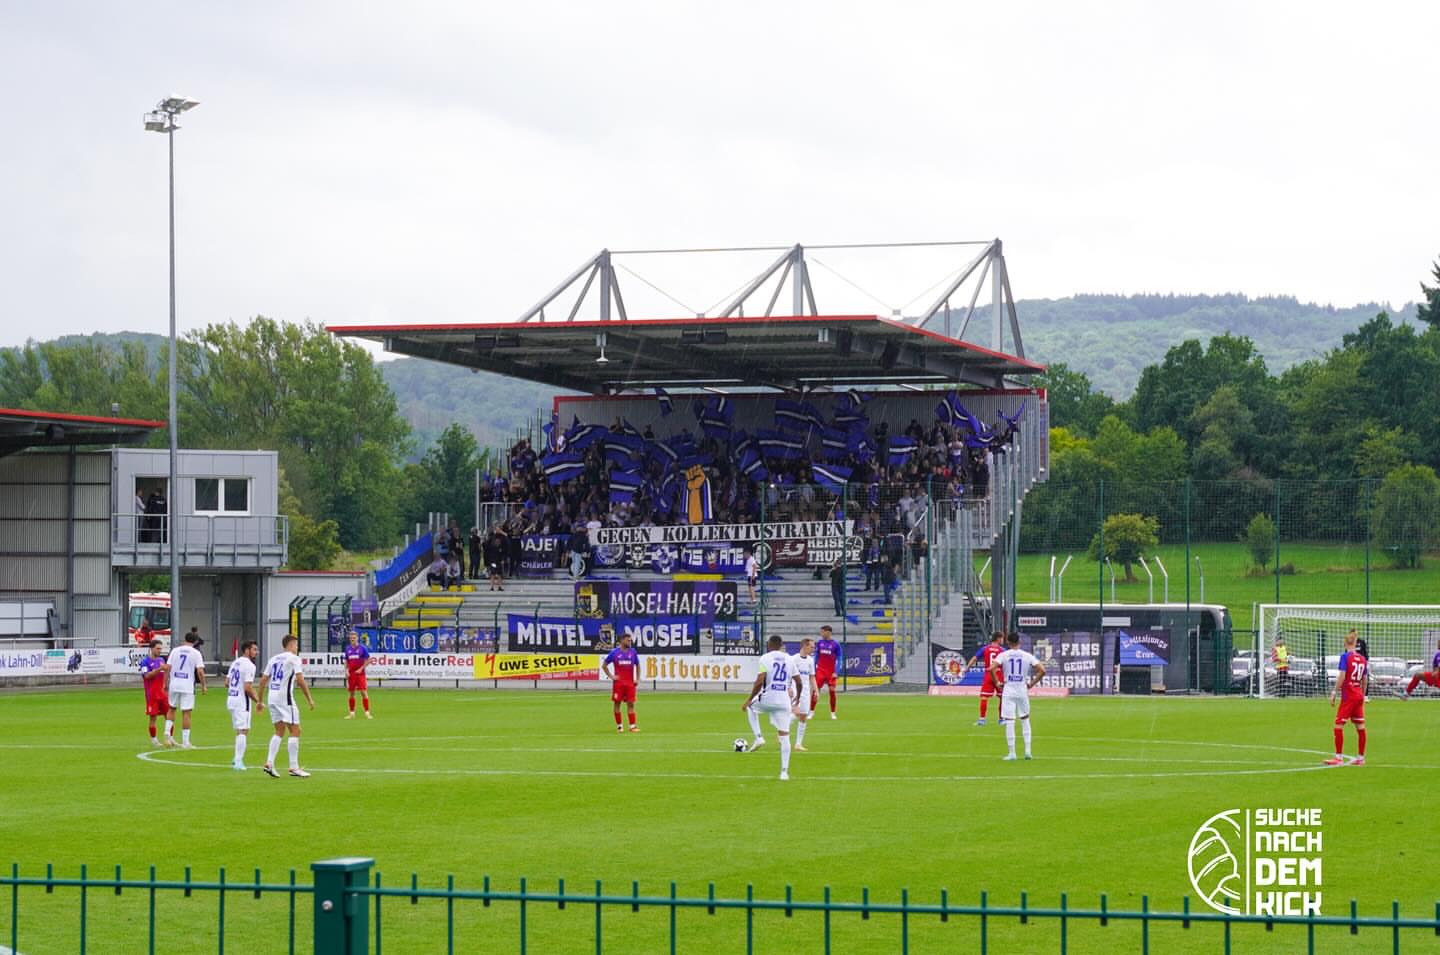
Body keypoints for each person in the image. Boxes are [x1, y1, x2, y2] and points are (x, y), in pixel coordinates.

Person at [741, 635, 802, 781]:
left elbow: (759, 681)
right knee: (784, 736)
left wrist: (749, 700)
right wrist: (797, 699)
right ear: (781, 645)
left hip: (768, 698)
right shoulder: (789, 659)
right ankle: (784, 772)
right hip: (784, 702)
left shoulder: (765, 658)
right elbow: (799, 682)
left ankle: (759, 738)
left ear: (769, 645)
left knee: (750, 707)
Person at [256, 634, 316, 778]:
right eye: (296, 644)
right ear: (291, 645)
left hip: (272, 697)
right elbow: (300, 680)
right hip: (285, 698)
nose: (297, 647)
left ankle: (269, 763)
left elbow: (263, 680)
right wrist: (309, 699)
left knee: (279, 730)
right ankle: (294, 767)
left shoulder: (274, 659)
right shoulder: (294, 659)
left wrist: (259, 701)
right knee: (296, 730)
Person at [991, 632, 1045, 761]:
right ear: (1019, 642)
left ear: (1008, 642)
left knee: (1010, 721)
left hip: (1009, 690)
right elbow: (1042, 670)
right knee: (1025, 719)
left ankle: (1012, 753)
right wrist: (1031, 684)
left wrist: (997, 682)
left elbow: (991, 668)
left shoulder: (1004, 655)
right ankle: (1027, 751)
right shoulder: (1027, 655)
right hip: (1022, 690)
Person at [1327, 632, 1368, 766]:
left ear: (1345, 644)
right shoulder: (1362, 659)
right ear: (1355, 644)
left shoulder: (1345, 657)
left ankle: (1338, 758)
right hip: (1358, 695)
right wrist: (1362, 694)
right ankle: (1360, 758)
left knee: (1338, 725)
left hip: (1348, 695)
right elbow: (1365, 679)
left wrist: (1334, 692)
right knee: (1360, 726)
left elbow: (1342, 676)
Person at [162, 630, 206, 749]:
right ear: (196, 641)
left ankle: (167, 735)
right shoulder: (196, 653)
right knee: (186, 713)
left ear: (184, 639)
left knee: (171, 709)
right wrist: (203, 685)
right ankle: (186, 742)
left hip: (174, 684)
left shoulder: (175, 651)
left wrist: (165, 683)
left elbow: (167, 668)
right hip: (187, 685)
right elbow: (200, 671)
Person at [225, 640, 262, 771]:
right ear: (247, 650)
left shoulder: (235, 662)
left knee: (240, 730)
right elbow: (247, 687)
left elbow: (226, 682)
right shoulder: (250, 666)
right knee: (243, 730)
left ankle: (236, 758)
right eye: (254, 649)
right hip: (241, 702)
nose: (256, 652)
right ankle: (238, 761)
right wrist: (258, 701)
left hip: (231, 699)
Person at [965, 632, 1006, 726]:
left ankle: (982, 719)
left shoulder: (985, 648)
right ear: (998, 639)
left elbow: (974, 658)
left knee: (984, 697)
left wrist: (967, 668)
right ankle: (1001, 719)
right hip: (998, 673)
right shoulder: (1002, 650)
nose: (1002, 640)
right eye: (1002, 638)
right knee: (1002, 697)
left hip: (988, 674)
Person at [603, 633, 641, 732]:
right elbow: (604, 665)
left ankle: (632, 726)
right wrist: (611, 676)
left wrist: (637, 678)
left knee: (631, 704)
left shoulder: (633, 652)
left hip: (630, 684)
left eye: (630, 640)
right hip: (618, 684)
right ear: (622, 641)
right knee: (617, 704)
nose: (630, 642)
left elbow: (638, 665)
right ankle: (619, 726)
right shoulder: (614, 653)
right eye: (628, 640)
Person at [138, 639, 170, 746]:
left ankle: (169, 738)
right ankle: (154, 739)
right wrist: (158, 669)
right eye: (158, 648)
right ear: (151, 649)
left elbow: (165, 673)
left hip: (162, 693)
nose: (160, 651)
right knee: (153, 717)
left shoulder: (161, 659)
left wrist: (166, 683)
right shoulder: (145, 662)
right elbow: (146, 676)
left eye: (161, 648)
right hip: (152, 694)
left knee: (169, 715)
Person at [790, 638, 817, 752]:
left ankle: (798, 744)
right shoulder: (793, 659)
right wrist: (788, 688)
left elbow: (812, 676)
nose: (813, 649)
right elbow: (788, 675)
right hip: (795, 690)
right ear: (805, 646)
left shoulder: (810, 660)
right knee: (796, 713)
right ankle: (782, 731)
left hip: (806, 691)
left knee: (803, 716)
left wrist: (816, 690)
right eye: (811, 647)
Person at [813, 625, 843, 720]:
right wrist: (813, 669)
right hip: (820, 670)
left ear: (828, 632)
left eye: (822, 632)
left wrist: (836, 672)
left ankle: (833, 713)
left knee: (832, 691)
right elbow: (816, 657)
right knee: (815, 691)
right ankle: (811, 711)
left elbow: (840, 659)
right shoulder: (820, 643)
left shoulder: (836, 644)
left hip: (831, 672)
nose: (821, 634)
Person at [344, 630, 373, 719]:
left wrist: (361, 669)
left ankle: (367, 712)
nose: (352, 639)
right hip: (351, 674)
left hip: (360, 674)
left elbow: (369, 660)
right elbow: (346, 660)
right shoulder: (347, 649)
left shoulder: (362, 648)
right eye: (351, 638)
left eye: (354, 638)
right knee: (351, 693)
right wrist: (346, 670)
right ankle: (352, 713)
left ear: (357, 638)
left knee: (363, 692)